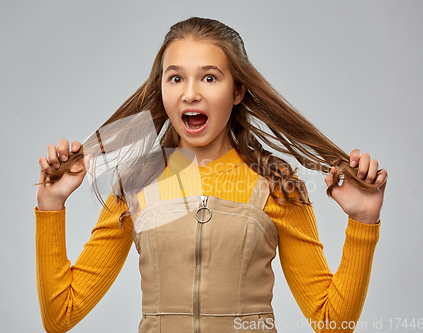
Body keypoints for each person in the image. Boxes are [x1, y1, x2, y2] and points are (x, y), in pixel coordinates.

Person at [35, 17, 387, 333]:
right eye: (175, 78)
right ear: (162, 89)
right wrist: (51, 206)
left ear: (237, 91)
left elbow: (331, 323)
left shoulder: (277, 185)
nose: (190, 94)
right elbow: (61, 315)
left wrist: (363, 222)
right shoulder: (137, 184)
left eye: (209, 77)